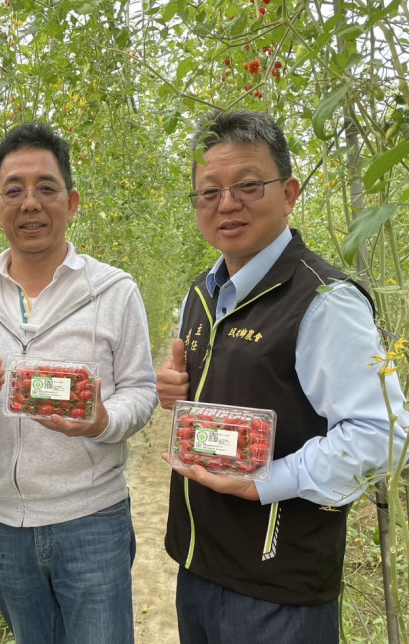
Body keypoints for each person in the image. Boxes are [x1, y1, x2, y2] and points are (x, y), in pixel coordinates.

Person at [156, 109, 408, 644]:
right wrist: (176, 392)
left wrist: (266, 480)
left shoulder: (324, 300)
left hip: (276, 589)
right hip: (198, 565)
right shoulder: (201, 294)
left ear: (289, 192)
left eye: (248, 185)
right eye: (209, 192)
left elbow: (381, 434)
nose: (227, 204)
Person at [0, 121, 157, 644]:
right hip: (3, 527)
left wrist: (104, 421)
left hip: (92, 520)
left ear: (72, 201)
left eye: (45, 188)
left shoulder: (113, 291)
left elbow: (142, 392)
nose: (29, 203)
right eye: (13, 190)